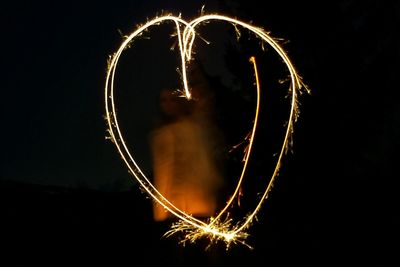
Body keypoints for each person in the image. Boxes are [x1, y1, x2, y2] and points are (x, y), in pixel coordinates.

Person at [149, 61, 225, 266]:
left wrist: (196, 71)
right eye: (163, 100)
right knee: (180, 261)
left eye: (171, 98)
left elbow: (206, 100)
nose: (167, 103)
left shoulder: (196, 125)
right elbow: (163, 171)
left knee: (204, 259)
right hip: (174, 210)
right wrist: (161, 210)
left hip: (200, 206)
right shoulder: (162, 135)